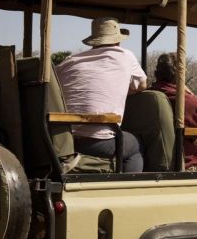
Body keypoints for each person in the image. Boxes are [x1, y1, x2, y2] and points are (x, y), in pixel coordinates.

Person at [56, 17, 147, 172]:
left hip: (63, 139)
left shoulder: (70, 61)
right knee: (136, 145)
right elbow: (142, 85)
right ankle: (127, 184)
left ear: (94, 42)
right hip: (98, 142)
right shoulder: (125, 56)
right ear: (118, 40)